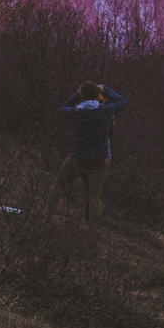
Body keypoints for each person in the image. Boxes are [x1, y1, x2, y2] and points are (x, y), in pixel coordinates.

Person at [44, 80, 127, 225]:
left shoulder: (77, 112)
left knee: (58, 186)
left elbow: (63, 108)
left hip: (77, 157)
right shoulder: (105, 111)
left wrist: (75, 96)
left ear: (81, 95)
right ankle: (92, 231)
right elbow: (122, 101)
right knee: (95, 196)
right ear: (97, 95)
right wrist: (105, 89)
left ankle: (46, 217)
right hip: (98, 161)